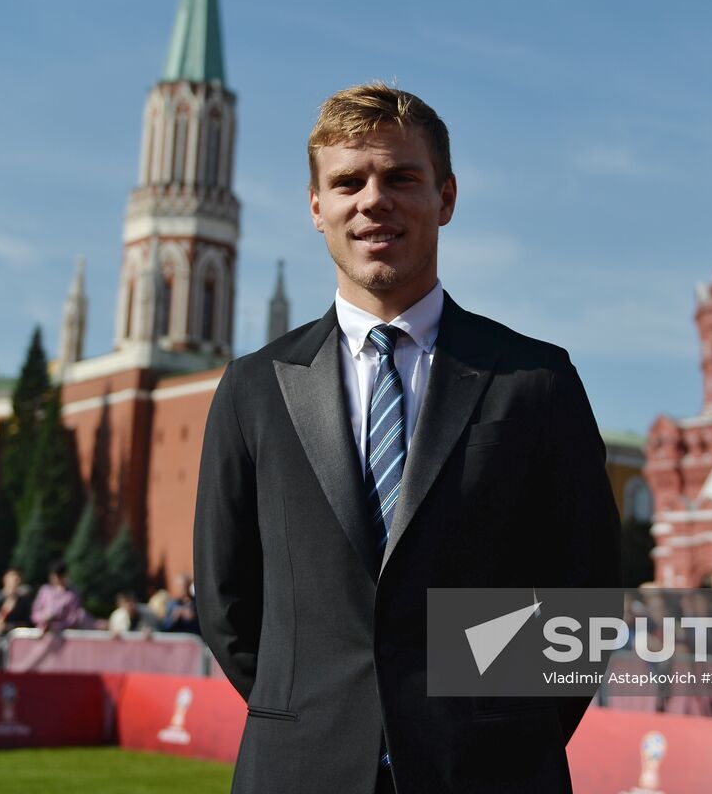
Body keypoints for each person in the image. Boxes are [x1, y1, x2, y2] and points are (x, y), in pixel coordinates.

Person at [194, 83, 619, 794]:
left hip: (491, 772)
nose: (373, 200)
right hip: (300, 771)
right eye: (347, 182)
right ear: (316, 208)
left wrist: (497, 724)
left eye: (401, 177)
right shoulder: (254, 388)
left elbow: (586, 599)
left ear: (446, 198)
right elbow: (225, 600)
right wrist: (319, 715)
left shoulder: (534, 381)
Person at [31, 561, 89, 633]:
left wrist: (56, 626)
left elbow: (73, 618)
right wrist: (45, 618)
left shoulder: (73, 594)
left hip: (63, 635)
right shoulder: (44, 590)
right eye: (53, 577)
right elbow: (35, 614)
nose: (55, 580)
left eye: (58, 577)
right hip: (43, 633)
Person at [0, 568, 34, 633]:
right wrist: (5, 610)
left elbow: (26, 624)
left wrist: (10, 627)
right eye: (12, 578)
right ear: (5, 579)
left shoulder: (24, 601)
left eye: (17, 579)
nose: (15, 581)